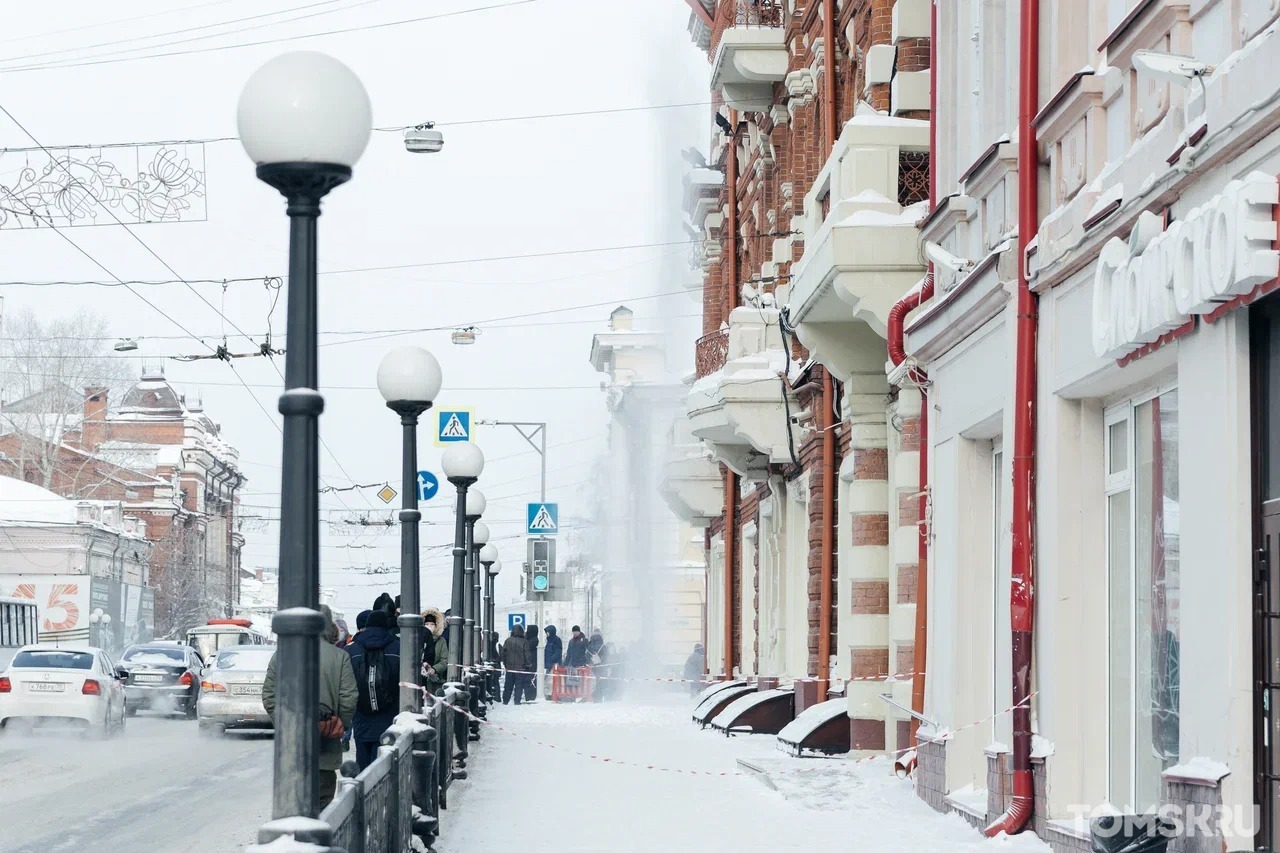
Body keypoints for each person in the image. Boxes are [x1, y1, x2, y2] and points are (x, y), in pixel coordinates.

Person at [262, 605, 357, 810]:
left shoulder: (282, 655)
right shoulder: (339, 656)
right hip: (325, 753)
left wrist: (286, 725)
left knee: (292, 809)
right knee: (323, 808)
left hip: (291, 752)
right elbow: (349, 697)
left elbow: (269, 696)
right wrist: (337, 725)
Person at [346, 610, 402, 770]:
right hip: (388, 720)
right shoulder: (398, 648)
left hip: (361, 719)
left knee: (363, 768)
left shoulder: (352, 650)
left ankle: (361, 794)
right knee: (383, 768)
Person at [500, 624, 531, 705]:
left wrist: (505, 664)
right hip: (521, 668)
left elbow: (503, 653)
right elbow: (527, 654)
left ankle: (505, 701)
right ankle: (517, 701)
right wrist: (528, 664)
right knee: (519, 685)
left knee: (508, 685)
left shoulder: (508, 641)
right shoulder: (524, 641)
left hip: (509, 667)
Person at [422, 607, 449, 694]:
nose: (429, 626)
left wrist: (434, 669)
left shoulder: (441, 641)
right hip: (420, 680)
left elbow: (445, 660)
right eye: (427, 624)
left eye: (432, 624)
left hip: (436, 681)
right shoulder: (418, 639)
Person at [542, 625, 562, 699]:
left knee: (551, 680)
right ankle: (549, 694)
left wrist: (551, 660)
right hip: (549, 664)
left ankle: (551, 694)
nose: (546, 634)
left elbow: (557, 652)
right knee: (548, 680)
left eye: (547, 632)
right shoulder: (549, 641)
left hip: (554, 664)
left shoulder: (556, 640)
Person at [523, 623, 540, 703]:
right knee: (529, 681)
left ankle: (530, 697)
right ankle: (529, 696)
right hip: (531, 663)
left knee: (529, 681)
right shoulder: (532, 640)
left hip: (531, 664)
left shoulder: (533, 641)